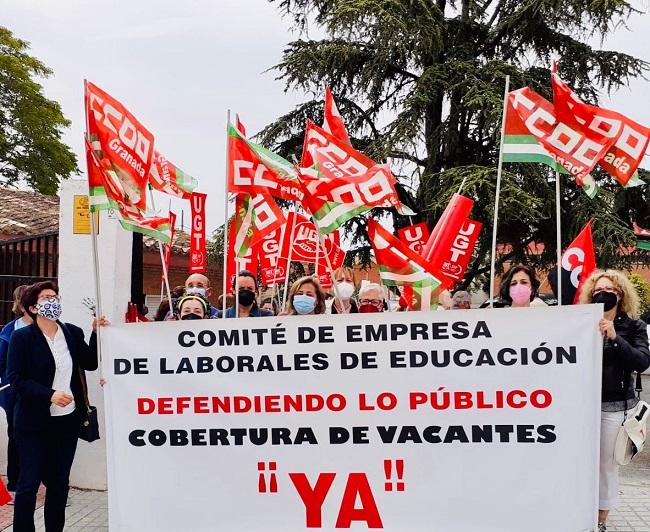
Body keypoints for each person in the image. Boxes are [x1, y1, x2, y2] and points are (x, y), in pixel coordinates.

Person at [7, 281, 106, 532]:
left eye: (56, 296)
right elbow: (16, 379)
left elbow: (91, 362)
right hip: (32, 422)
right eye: (46, 298)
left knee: (60, 482)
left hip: (66, 421)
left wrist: (96, 333)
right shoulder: (22, 338)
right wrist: (49, 394)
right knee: (28, 484)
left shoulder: (71, 333)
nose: (53, 301)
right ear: (33, 307)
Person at [577, 270, 650, 531]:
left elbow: (642, 361)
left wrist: (614, 338)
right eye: (597, 291)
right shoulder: (581, 323)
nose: (602, 294)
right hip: (581, 408)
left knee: (606, 467)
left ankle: (601, 520)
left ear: (620, 295)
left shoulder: (633, 327)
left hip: (614, 409)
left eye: (608, 290)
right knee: (581, 463)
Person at [0, 285, 32, 494]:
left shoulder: (51, 328)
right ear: (20, 304)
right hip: (14, 391)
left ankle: (37, 478)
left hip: (43, 392)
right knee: (16, 434)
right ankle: (15, 480)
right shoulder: (10, 330)